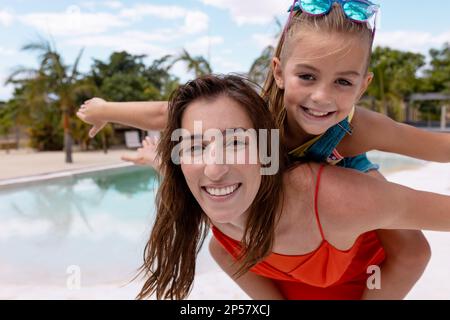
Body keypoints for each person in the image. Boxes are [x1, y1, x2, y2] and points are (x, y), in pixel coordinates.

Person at [77, 1, 450, 298]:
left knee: (410, 244)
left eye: (343, 82)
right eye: (307, 76)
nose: (322, 97)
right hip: (274, 183)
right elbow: (171, 113)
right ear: (277, 71)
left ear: (363, 85)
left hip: (346, 167)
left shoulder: (355, 129)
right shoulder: (256, 113)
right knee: (222, 241)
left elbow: (436, 147)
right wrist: (105, 110)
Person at [135, 74, 450, 300]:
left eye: (235, 143)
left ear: (267, 151)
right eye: (194, 147)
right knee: (220, 247)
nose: (214, 170)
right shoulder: (204, 195)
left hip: (368, 285)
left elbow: (422, 241)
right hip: (288, 286)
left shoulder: (333, 199)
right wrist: (153, 157)